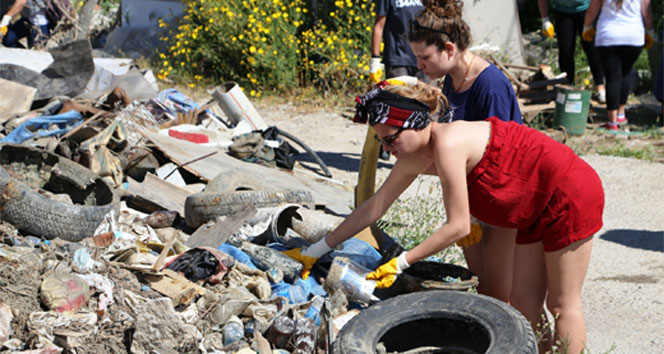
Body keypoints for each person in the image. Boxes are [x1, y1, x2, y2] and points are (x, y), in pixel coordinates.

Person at [284, 82, 604, 354]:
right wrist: (316, 249)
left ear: (415, 123)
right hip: (533, 208)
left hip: (568, 192)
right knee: (523, 303)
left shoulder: (449, 142)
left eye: (391, 139)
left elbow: (458, 225)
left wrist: (401, 263)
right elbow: (373, 209)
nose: (387, 149)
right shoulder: (412, 157)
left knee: (562, 304)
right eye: (381, 142)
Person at [406, 0, 523, 303]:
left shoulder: (491, 86)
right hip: (469, 203)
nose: (420, 65)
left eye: (424, 57)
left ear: (448, 48)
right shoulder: (450, 82)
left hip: (498, 201)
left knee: (501, 295)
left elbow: (505, 158)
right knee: (483, 289)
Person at [370, 0, 429, 160]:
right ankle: (386, 146)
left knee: (423, 104)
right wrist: (375, 59)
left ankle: (418, 152)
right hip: (397, 58)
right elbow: (379, 26)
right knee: (397, 105)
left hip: (422, 57)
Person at [583, 0, 654, 130]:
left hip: (608, 36)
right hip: (634, 37)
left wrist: (587, 26)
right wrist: (650, 31)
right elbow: (646, 12)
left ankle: (612, 122)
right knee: (625, 73)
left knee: (612, 78)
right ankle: (621, 114)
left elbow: (591, 11)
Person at [538, 0, 606, 102]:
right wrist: (545, 19)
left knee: (592, 49)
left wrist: (592, 18)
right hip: (562, 12)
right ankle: (568, 86)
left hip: (586, 10)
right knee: (566, 50)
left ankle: (600, 86)